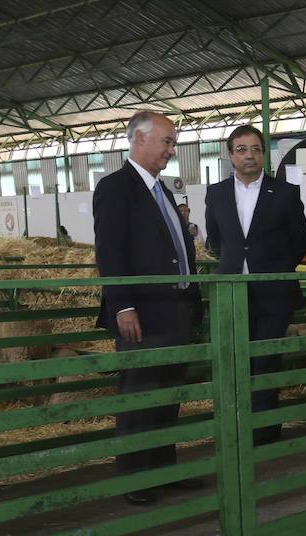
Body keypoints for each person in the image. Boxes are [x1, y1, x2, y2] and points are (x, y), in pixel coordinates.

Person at [93, 111, 203, 505]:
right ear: (139, 139)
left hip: (175, 308)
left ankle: (162, 468)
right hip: (142, 312)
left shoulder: (163, 191)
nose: (171, 151)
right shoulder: (115, 187)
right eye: (167, 142)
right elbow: (110, 250)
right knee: (140, 394)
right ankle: (134, 478)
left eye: (173, 143)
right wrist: (122, 305)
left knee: (168, 394)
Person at [204, 124, 306, 445]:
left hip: (273, 294)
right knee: (235, 362)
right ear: (230, 155)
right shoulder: (217, 193)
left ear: (263, 153)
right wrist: (237, 264)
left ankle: (263, 433)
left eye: (255, 149)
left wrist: (271, 266)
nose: (249, 155)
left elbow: (300, 240)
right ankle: (236, 429)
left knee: (266, 361)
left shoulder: (285, 193)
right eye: (241, 149)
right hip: (232, 292)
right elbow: (216, 241)